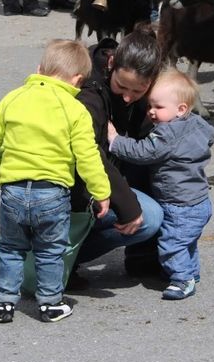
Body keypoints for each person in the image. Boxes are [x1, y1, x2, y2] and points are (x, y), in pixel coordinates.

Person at [0, 39, 111, 323]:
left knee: (12, 248)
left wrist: (0, 156)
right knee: (50, 251)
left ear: (39, 69)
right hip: (52, 193)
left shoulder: (13, 98)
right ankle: (50, 304)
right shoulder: (74, 109)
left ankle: (3, 303)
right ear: (77, 80)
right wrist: (101, 192)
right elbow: (87, 156)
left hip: (13, 190)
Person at [106, 69, 214, 300]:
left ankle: (182, 279)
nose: (151, 112)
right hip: (200, 201)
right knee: (187, 241)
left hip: (179, 204)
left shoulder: (166, 134)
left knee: (171, 242)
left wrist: (115, 141)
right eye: (149, 106)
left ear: (181, 109)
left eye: (158, 107)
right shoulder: (196, 123)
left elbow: (143, 152)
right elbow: (210, 136)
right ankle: (191, 273)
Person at [69, 31, 165, 283]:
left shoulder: (150, 92)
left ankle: (143, 256)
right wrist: (129, 207)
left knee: (160, 164)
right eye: (121, 86)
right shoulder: (88, 92)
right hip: (77, 180)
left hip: (113, 165)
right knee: (149, 217)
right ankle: (60, 259)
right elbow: (89, 154)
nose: (127, 97)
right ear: (111, 63)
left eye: (138, 90)